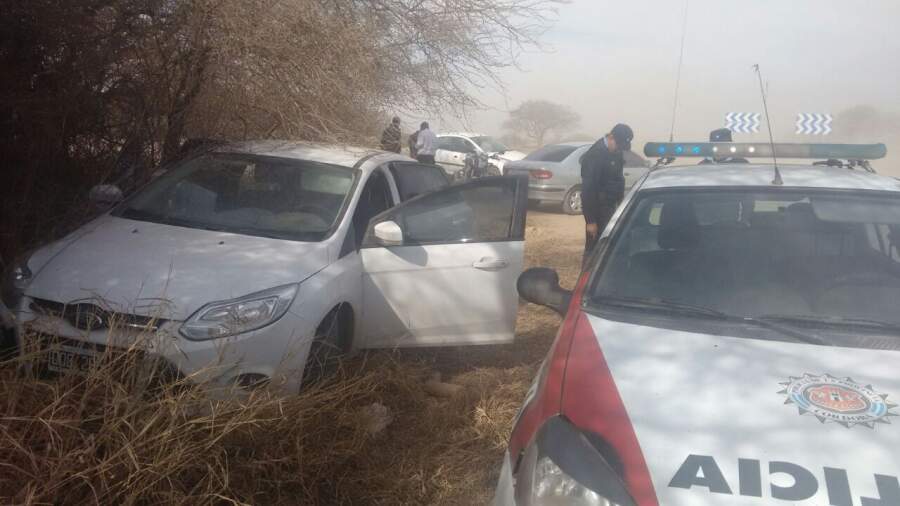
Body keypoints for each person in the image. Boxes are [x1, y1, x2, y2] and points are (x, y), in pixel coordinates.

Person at [581, 123, 634, 268]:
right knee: (594, 250)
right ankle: (586, 284)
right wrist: (590, 221)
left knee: (610, 247)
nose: (620, 149)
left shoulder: (614, 153)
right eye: (619, 144)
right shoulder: (595, 155)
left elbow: (617, 179)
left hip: (611, 207)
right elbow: (587, 190)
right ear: (611, 137)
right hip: (598, 210)